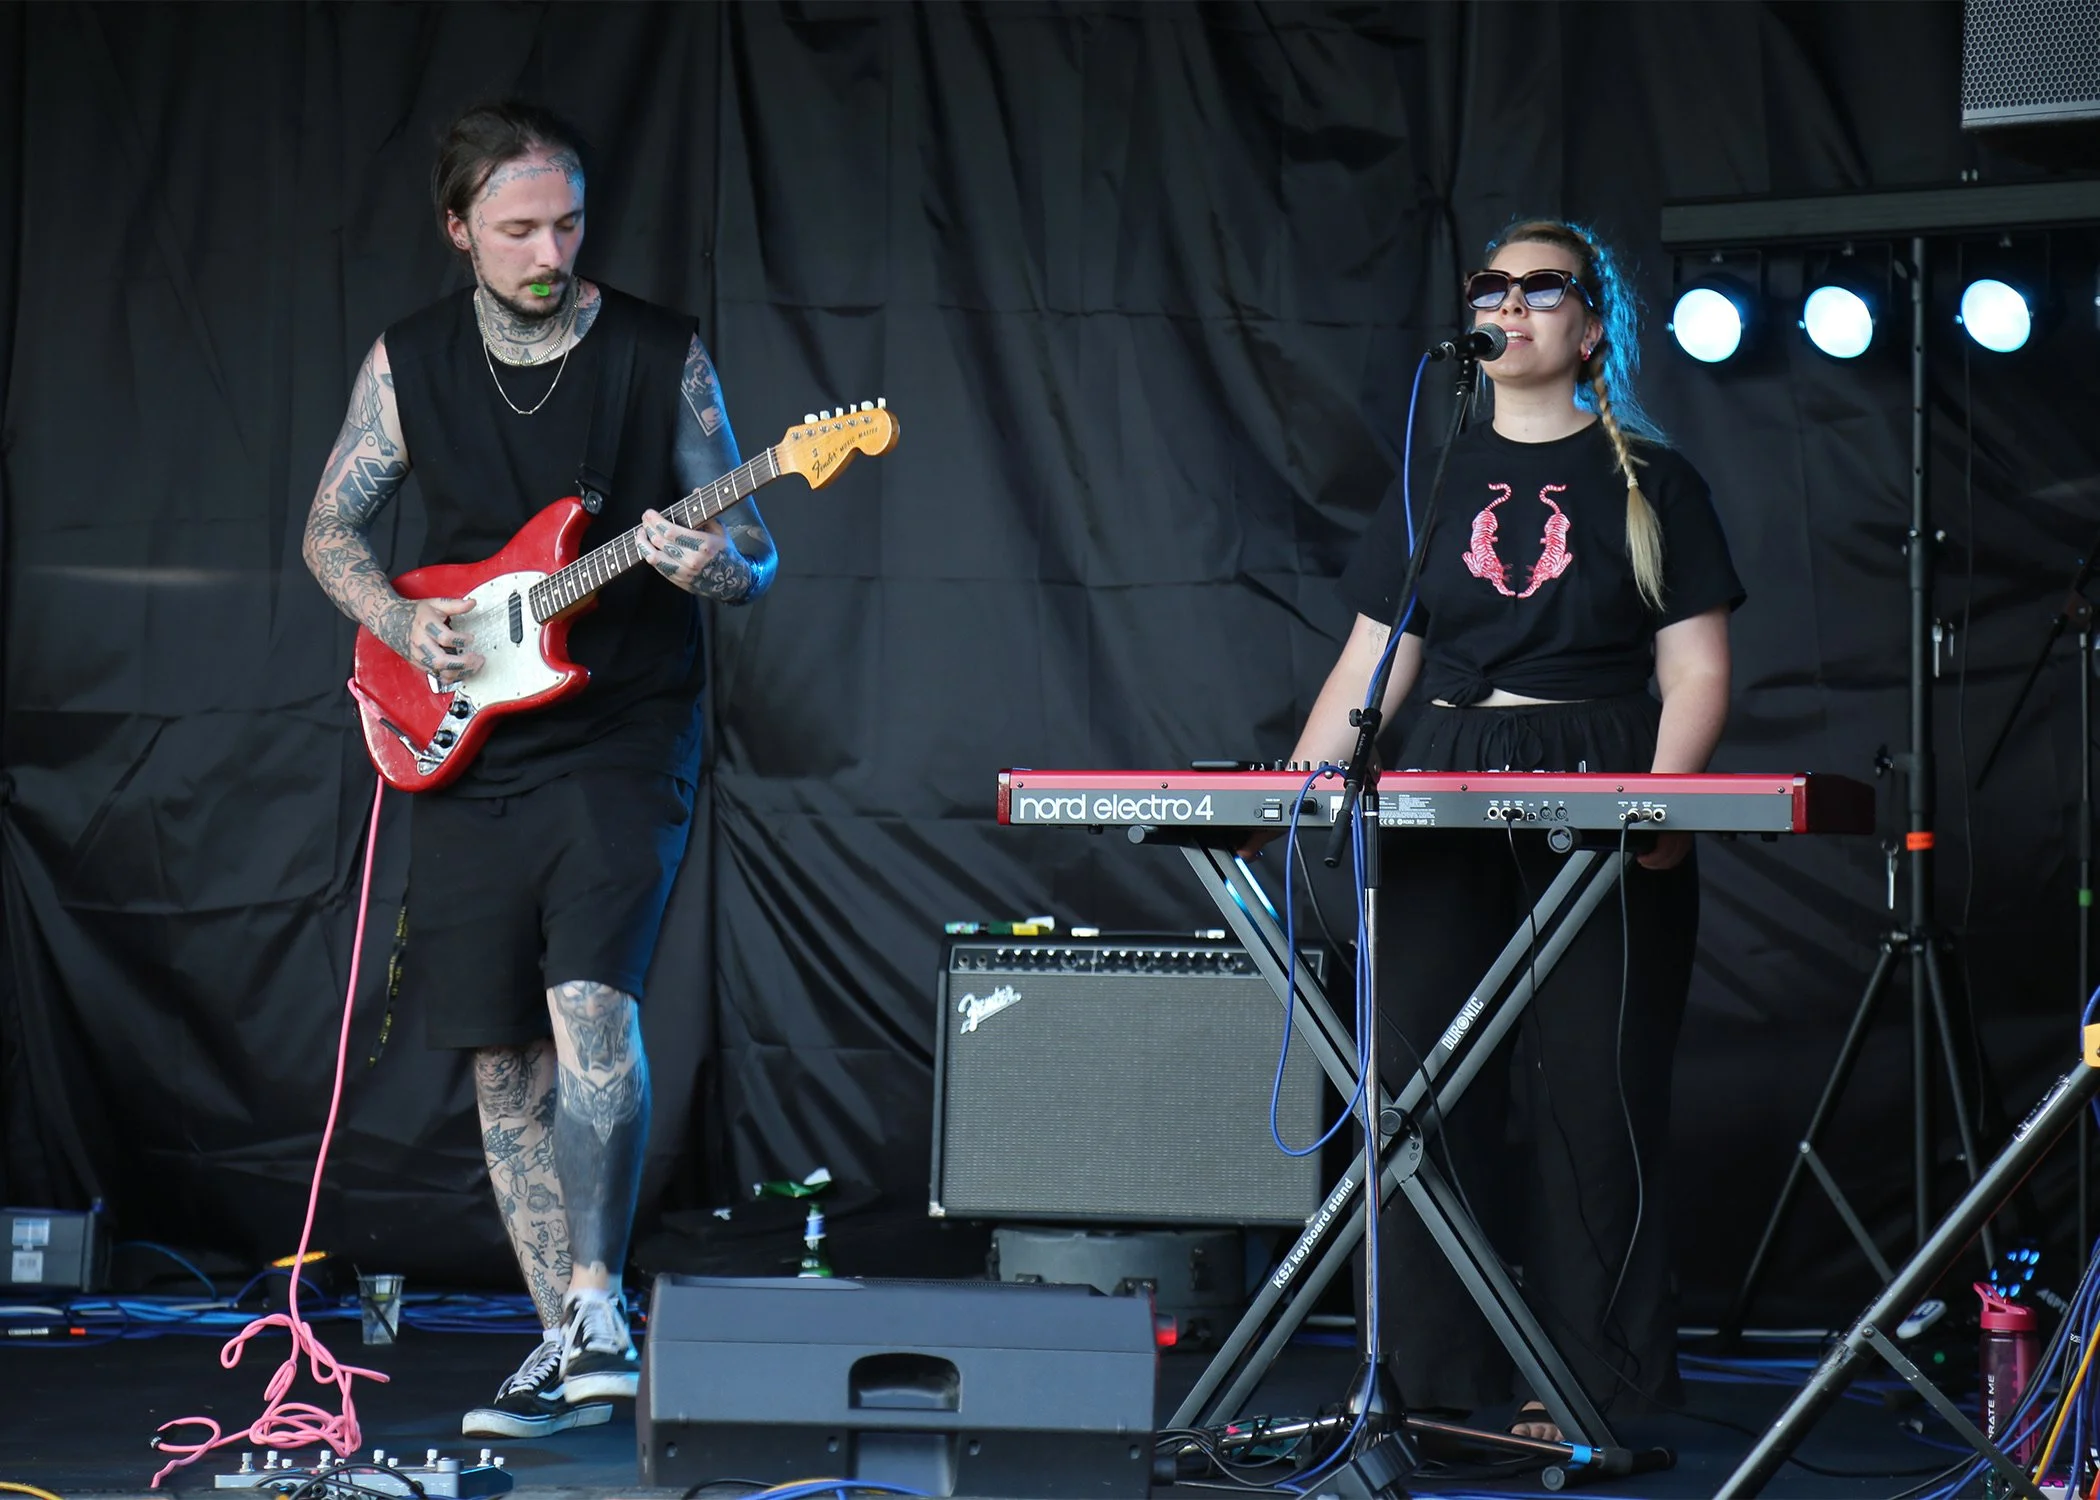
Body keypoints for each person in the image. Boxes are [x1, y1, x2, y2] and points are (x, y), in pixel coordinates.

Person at [301, 100, 777, 1439]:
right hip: (466, 729)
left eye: (566, 221)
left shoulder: (657, 355)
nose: (547, 248)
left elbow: (757, 557)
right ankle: (567, 1342)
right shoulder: (409, 364)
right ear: (459, 230)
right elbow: (330, 526)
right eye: (516, 227)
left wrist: (717, 566)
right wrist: (399, 620)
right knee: (503, 1055)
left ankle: (598, 1294)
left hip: (623, 727)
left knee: (590, 1005)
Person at [1277, 219, 1741, 1437]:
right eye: (1496, 286)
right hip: (1447, 778)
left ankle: (1596, 1388)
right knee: (1424, 1089)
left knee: (1598, 1093)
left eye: (1547, 289)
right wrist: (1294, 792)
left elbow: (1694, 671)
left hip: (1601, 765)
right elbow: (1376, 659)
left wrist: (1665, 802)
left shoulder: (1654, 477)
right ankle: (1434, 1388)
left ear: (1592, 325)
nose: (1516, 305)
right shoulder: (1439, 476)